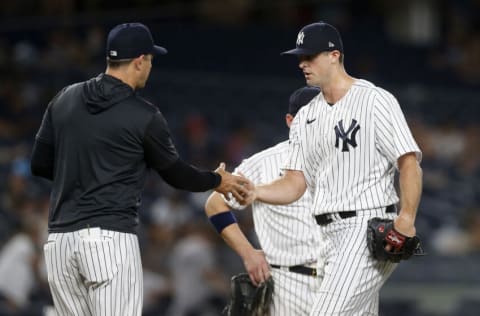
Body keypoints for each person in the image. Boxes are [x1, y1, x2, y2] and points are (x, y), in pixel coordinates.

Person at [30, 22, 251, 316]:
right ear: (139, 61)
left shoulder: (64, 98)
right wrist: (216, 180)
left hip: (59, 242)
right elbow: (174, 173)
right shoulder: (143, 114)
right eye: (150, 59)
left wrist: (81, 176)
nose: (150, 66)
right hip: (108, 241)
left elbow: (40, 164)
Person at [245, 22, 423, 315]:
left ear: (334, 55)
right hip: (327, 237)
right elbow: (293, 184)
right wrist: (254, 191)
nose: (302, 63)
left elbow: (408, 162)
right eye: (300, 57)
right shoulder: (305, 118)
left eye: (310, 56)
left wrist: (407, 216)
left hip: (367, 229)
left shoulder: (373, 99)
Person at [205, 86, 323, 316]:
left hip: (341, 282)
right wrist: (248, 253)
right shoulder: (263, 163)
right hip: (288, 284)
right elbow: (215, 204)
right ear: (290, 120)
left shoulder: (347, 163)